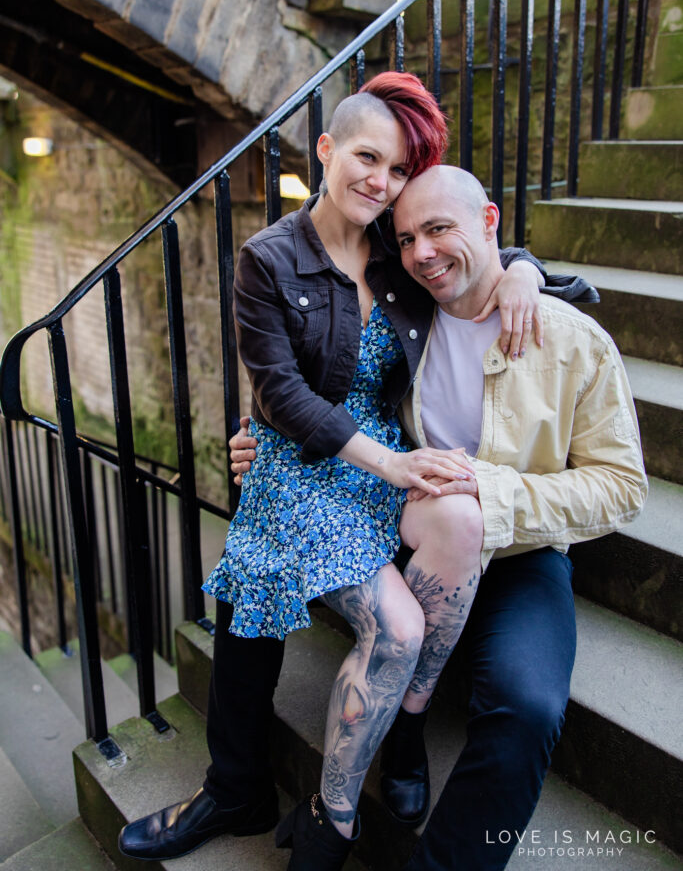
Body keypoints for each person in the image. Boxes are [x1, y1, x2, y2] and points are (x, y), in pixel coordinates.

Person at [118, 76, 546, 867]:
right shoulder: (268, 258)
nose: (379, 183)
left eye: (394, 171)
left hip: (382, 450)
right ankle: (235, 787)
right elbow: (278, 390)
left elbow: (473, 247)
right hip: (310, 458)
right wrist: (383, 461)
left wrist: (523, 268)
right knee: (259, 580)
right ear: (325, 149)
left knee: (451, 523)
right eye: (365, 158)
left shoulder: (396, 246)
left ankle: (399, 732)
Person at [230, 165, 648, 871]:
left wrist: (490, 494)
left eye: (439, 229)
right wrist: (257, 436)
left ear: (489, 222)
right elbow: (320, 377)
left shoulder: (571, 340)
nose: (422, 252)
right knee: (258, 560)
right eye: (407, 237)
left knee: (526, 707)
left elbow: (621, 486)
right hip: (409, 529)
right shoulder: (403, 312)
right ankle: (365, 747)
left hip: (520, 549)